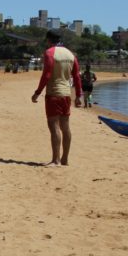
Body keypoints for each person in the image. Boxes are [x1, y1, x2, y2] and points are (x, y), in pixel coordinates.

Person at [30, 30, 82, 166]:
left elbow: (46, 75)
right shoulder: (71, 54)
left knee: (54, 127)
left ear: (48, 40)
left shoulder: (49, 53)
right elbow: (76, 76)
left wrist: (37, 92)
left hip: (54, 94)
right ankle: (65, 159)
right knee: (66, 127)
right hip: (66, 95)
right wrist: (79, 96)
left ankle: (56, 160)